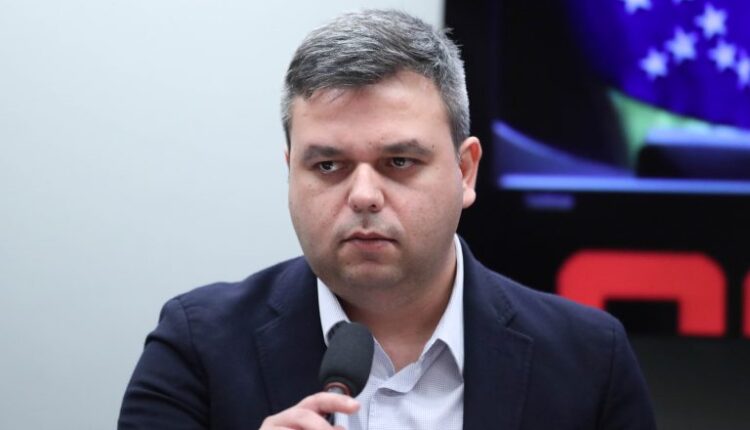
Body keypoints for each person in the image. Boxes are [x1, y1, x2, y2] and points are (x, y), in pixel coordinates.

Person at [118, 9, 656, 430]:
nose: (363, 196)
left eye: (399, 162)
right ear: (290, 173)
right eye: (327, 166)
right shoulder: (197, 346)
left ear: (465, 171)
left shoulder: (590, 359)